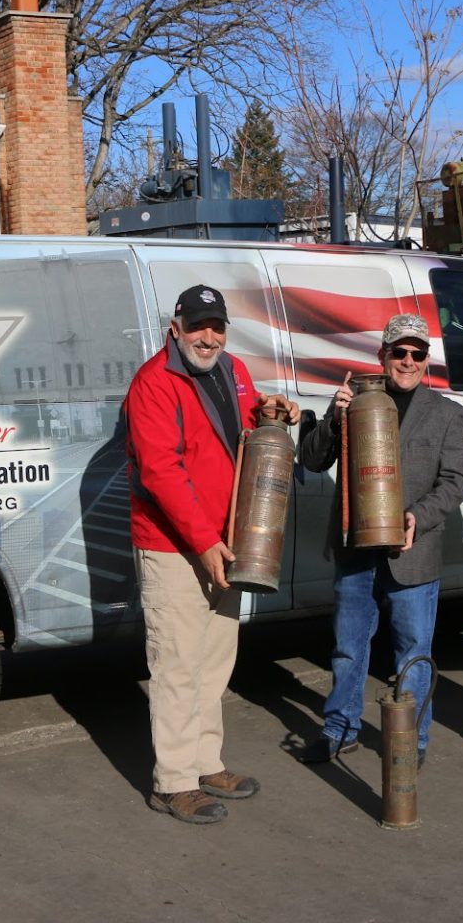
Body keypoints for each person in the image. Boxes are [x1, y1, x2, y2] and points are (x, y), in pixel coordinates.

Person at [125, 283, 300, 824]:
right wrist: (204, 543)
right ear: (175, 328)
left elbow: (247, 425)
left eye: (217, 326)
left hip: (226, 542)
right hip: (176, 546)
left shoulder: (235, 371)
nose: (209, 336)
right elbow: (162, 473)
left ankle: (205, 762)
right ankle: (173, 781)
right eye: (198, 325)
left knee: (214, 659)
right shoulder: (153, 384)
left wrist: (275, 411)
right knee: (177, 664)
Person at [296, 314, 463, 770]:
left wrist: (419, 517)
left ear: (426, 360)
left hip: (413, 551)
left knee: (414, 652)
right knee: (348, 647)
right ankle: (340, 729)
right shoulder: (354, 402)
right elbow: (312, 460)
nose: (408, 361)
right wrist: (334, 419)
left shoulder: (448, 414)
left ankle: (412, 739)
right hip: (357, 551)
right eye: (399, 352)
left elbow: (454, 482)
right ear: (382, 356)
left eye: (417, 353)